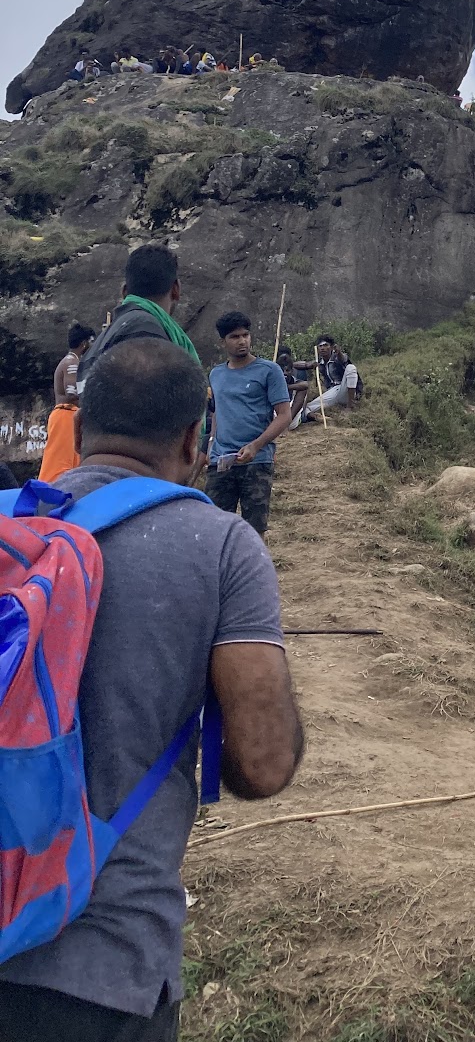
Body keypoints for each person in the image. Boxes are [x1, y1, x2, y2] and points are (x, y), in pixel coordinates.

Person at [0, 339, 303, 1038]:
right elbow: (263, 764)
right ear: (196, 438)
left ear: (74, 426)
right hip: (102, 965)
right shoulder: (222, 546)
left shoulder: (13, 523)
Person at [205, 312, 292, 539]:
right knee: (215, 529)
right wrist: (209, 449)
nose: (242, 341)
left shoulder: (269, 371)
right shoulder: (216, 374)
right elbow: (216, 413)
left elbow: (284, 415)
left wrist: (256, 445)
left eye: (246, 335)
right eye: (235, 336)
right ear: (222, 341)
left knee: (254, 532)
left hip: (257, 461)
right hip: (221, 462)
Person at [76, 246, 200, 393]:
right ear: (176, 289)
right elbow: (147, 405)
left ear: (124, 291)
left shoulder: (102, 341)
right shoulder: (144, 329)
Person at [40, 322, 96, 483]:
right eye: (92, 342)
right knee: (60, 465)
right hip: (65, 416)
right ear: (85, 343)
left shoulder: (71, 361)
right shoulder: (72, 362)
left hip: (68, 416)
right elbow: (72, 393)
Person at [294, 337, 361, 422]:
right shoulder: (319, 363)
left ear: (332, 347)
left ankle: (350, 406)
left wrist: (339, 352)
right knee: (307, 407)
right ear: (317, 349)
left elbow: (343, 359)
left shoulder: (337, 357)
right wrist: (308, 365)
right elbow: (297, 364)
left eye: (326, 345)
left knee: (351, 368)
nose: (322, 348)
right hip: (333, 392)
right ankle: (314, 417)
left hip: (345, 389)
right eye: (320, 346)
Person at [275, 346, 310, 421]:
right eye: (281, 370)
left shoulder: (295, 379)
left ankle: (287, 422)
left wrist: (287, 387)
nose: (284, 373)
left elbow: (305, 385)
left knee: (303, 389)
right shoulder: (272, 377)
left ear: (292, 370)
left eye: (287, 370)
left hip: (291, 417)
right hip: (274, 417)